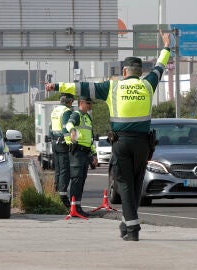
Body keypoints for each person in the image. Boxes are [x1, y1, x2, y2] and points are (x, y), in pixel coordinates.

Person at [46, 30, 171, 241]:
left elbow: (82, 87)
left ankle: (133, 228)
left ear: (124, 71)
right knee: (136, 182)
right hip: (143, 144)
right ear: (139, 72)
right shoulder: (148, 84)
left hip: (121, 143)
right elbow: (160, 66)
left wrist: (56, 86)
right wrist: (167, 46)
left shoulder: (113, 87)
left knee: (123, 183)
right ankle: (127, 223)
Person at [66, 96, 98, 217]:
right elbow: (69, 124)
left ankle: (77, 207)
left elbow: (90, 138)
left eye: (91, 103)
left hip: (86, 152)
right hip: (77, 151)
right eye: (88, 103)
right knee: (76, 179)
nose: (90, 106)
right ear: (81, 103)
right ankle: (73, 207)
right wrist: (73, 130)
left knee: (82, 180)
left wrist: (94, 154)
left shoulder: (88, 117)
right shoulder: (77, 115)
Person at [50, 93, 75, 209]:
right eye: (72, 101)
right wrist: (71, 142)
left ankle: (56, 194)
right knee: (65, 170)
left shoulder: (55, 110)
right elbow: (66, 128)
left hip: (54, 142)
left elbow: (51, 128)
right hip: (63, 143)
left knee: (58, 170)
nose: (72, 104)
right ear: (69, 101)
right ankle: (63, 198)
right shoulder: (66, 111)